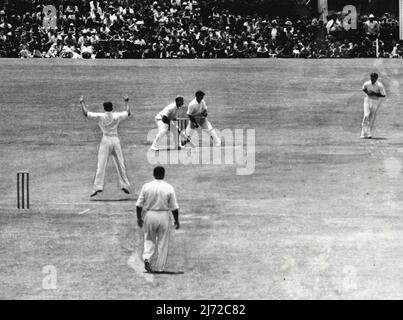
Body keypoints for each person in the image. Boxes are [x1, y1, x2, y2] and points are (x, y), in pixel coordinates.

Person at [80, 95, 132, 197]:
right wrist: (126, 101)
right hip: (115, 140)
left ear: (104, 109)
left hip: (106, 140)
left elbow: (86, 113)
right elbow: (128, 112)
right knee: (120, 163)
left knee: (101, 164)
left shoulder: (101, 116)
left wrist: (82, 102)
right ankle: (125, 185)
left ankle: (97, 187)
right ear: (112, 108)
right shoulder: (117, 116)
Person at [136, 166, 180, 273]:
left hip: (150, 214)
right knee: (162, 241)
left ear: (153, 174)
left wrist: (139, 218)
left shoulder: (147, 186)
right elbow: (174, 207)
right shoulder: (168, 187)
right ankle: (159, 267)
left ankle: (147, 258)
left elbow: (139, 204)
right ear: (163, 174)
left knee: (149, 238)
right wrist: (176, 220)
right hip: (164, 215)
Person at [361, 73, 386, 139]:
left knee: (371, 117)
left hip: (375, 102)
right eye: (371, 78)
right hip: (367, 100)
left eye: (374, 79)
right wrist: (367, 93)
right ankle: (363, 133)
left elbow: (383, 95)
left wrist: (374, 93)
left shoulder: (380, 85)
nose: (372, 80)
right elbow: (363, 88)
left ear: (376, 78)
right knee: (366, 115)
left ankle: (369, 133)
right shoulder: (367, 83)